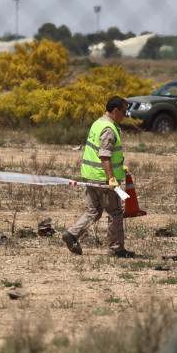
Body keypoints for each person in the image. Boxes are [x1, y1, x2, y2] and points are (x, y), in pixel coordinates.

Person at [62, 96, 135, 258]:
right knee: (115, 212)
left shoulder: (97, 123)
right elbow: (104, 156)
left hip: (91, 176)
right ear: (115, 111)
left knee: (93, 210)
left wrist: (119, 165)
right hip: (103, 179)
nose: (125, 115)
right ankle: (117, 249)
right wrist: (111, 176)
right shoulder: (109, 129)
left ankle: (72, 234)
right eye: (123, 112)